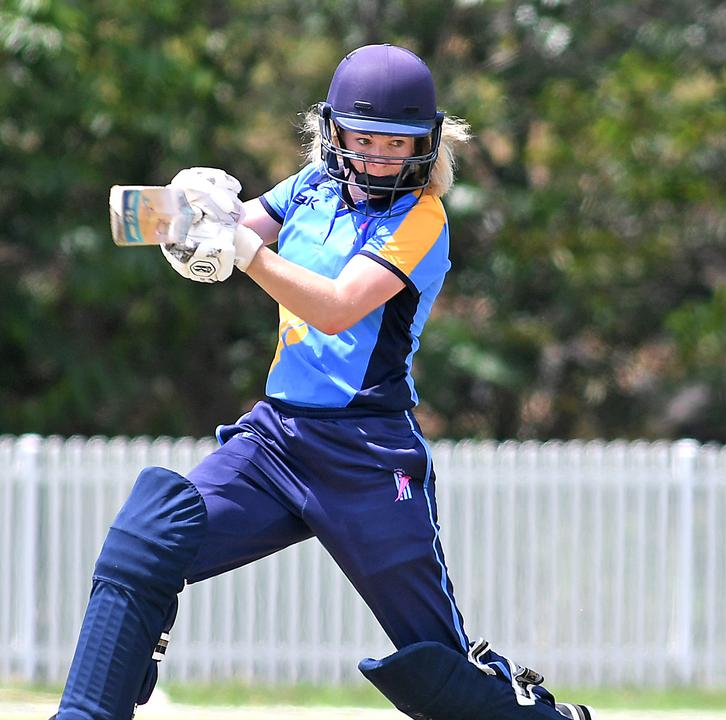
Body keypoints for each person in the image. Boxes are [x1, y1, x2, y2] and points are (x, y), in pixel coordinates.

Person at [54, 44, 594, 720]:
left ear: (426, 145)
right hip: (275, 441)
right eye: (360, 138)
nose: (373, 157)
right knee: (146, 541)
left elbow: (336, 306)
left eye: (393, 144)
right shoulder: (310, 186)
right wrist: (184, 206)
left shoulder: (422, 220)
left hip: (368, 456)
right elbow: (213, 237)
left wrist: (244, 249)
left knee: (440, 672)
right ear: (332, 131)